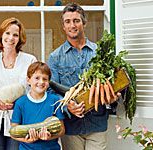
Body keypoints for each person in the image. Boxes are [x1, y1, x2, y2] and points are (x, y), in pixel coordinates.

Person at [47, 3, 120, 150]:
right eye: (67, 21)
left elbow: (111, 85)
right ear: (63, 26)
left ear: (84, 23)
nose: (72, 25)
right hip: (71, 126)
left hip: (97, 123)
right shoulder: (55, 57)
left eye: (76, 20)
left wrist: (112, 98)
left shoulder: (99, 53)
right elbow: (51, 92)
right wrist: (67, 106)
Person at [0, 17, 37, 150]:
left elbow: (34, 92)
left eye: (15, 35)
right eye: (7, 33)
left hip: (19, 121)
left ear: (20, 39)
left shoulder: (29, 60)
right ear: (1, 35)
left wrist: (15, 104)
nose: (11, 38)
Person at [11, 61, 65, 150]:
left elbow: (62, 130)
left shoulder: (54, 100)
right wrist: (26, 140)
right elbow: (13, 132)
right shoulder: (20, 102)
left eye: (45, 79)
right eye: (37, 78)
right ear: (28, 80)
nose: (41, 82)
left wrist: (49, 137)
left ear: (48, 82)